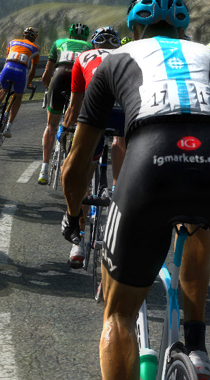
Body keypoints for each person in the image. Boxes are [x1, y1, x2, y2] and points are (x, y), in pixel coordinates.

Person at [60, 0, 210, 380]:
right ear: (183, 28)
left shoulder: (114, 59)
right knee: (197, 220)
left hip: (151, 166)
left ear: (134, 29)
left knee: (119, 315)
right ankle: (197, 347)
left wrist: (74, 216)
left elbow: (76, 163)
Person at [58, 25, 126, 268]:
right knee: (122, 140)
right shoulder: (128, 54)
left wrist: (65, 128)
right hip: (123, 116)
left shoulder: (84, 56)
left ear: (95, 43)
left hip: (95, 114)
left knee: (81, 175)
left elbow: (75, 105)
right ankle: (119, 189)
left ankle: (77, 240)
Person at [37, 23, 93, 184]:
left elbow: (46, 74)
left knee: (51, 126)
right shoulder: (90, 47)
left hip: (59, 77)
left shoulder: (58, 43)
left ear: (70, 35)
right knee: (77, 122)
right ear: (86, 37)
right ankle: (73, 162)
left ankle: (44, 169)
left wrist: (48, 89)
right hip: (78, 81)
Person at [0, 27, 40, 138]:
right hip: (21, 72)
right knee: (19, 97)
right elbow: (32, 71)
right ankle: (8, 128)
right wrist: (27, 83)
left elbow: (7, 59)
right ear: (34, 38)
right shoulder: (36, 49)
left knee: (3, 90)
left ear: (23, 35)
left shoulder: (12, 42)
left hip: (7, 69)